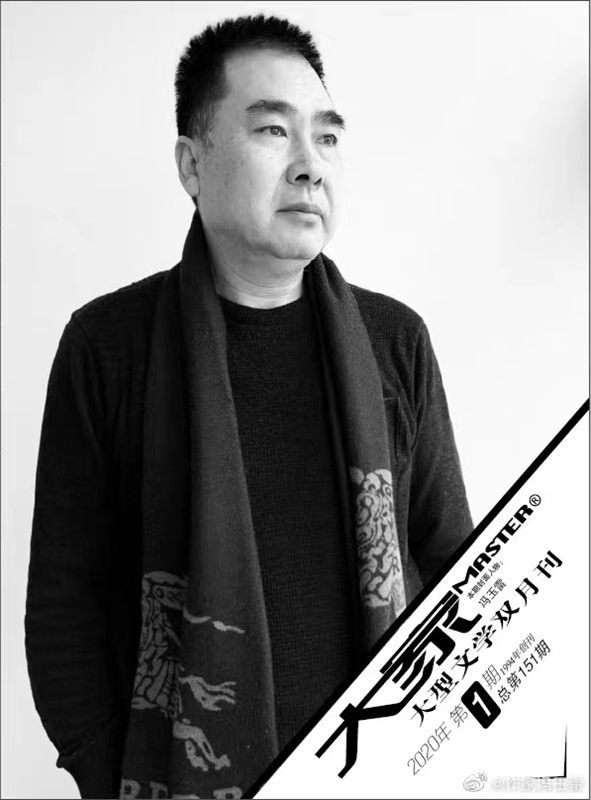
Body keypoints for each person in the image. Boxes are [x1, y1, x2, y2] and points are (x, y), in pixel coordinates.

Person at [25, 13, 473, 800]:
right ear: (191, 165)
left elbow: (451, 565)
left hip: (382, 778)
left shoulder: (393, 341)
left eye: (326, 137)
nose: (309, 166)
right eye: (272, 130)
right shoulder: (107, 348)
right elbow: (65, 604)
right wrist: (105, 772)